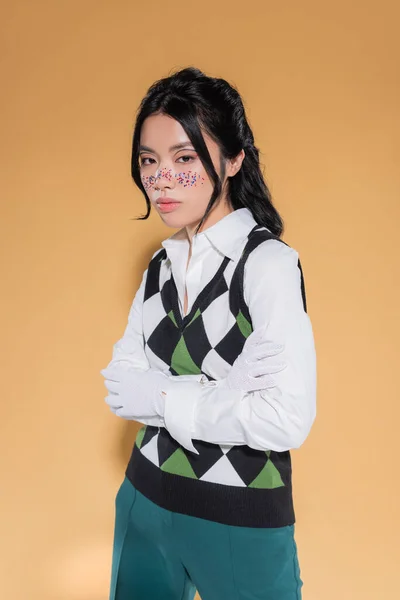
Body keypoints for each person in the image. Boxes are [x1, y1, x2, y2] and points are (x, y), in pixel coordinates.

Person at [100, 66, 317, 600]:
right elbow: (121, 388)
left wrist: (164, 394)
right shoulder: (159, 264)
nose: (161, 179)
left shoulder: (265, 264)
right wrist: (221, 393)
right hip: (144, 499)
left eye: (185, 158)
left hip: (238, 517)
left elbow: (285, 420)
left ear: (234, 158)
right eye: (149, 160)